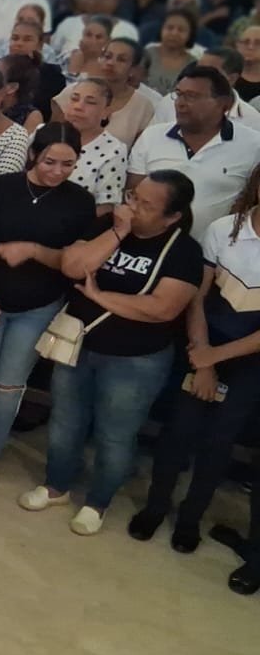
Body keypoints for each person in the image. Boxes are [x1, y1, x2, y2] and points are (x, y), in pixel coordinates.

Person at [21, 171, 203, 535]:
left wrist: (100, 297)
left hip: (136, 360)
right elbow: (72, 266)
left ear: (172, 217)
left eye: (146, 205)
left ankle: (97, 503)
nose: (133, 207)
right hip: (80, 344)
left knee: (115, 435)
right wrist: (118, 232)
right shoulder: (108, 225)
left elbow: (162, 308)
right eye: (133, 196)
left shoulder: (184, 251)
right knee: (65, 422)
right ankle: (56, 486)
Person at [0, 123, 95, 489]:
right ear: (33, 154)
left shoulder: (80, 201)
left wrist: (32, 250)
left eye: (68, 164)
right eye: (49, 162)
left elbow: (74, 263)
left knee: (10, 385)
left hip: (39, 305)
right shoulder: (2, 187)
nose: (57, 172)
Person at [132, 164, 260, 568]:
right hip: (202, 342)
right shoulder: (225, 229)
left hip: (249, 360)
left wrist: (215, 359)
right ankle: (155, 507)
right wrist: (203, 357)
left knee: (219, 442)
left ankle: (190, 520)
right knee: (178, 431)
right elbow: (197, 297)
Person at [128, 66, 260, 236]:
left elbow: (249, 201)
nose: (180, 103)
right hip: (150, 245)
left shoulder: (252, 145)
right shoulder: (152, 136)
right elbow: (132, 192)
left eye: (191, 96)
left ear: (224, 104)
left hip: (213, 246)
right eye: (178, 94)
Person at [53, 38, 157, 146]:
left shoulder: (143, 106)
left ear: (133, 69)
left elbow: (139, 149)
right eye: (107, 57)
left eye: (121, 60)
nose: (111, 63)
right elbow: (52, 135)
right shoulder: (73, 92)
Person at [60, 76, 129, 215]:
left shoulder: (114, 150)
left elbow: (106, 206)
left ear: (106, 112)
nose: (78, 107)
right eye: (74, 99)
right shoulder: (43, 132)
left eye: (90, 102)